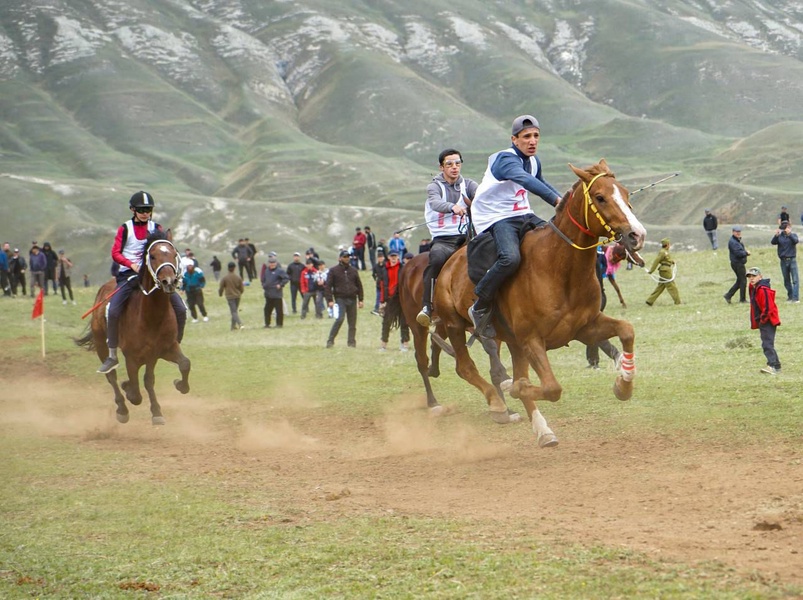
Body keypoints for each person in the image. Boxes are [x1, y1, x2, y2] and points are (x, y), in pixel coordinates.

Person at [469, 115, 562, 337]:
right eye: (526, 136)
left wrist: (565, 202)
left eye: (536, 136)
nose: (532, 141)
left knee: (558, 238)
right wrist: (558, 202)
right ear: (514, 139)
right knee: (510, 258)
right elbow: (526, 180)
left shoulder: (533, 161)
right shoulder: (505, 160)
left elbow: (540, 181)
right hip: (496, 217)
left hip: (522, 213)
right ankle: (479, 305)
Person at [97, 191, 187, 374]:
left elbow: (164, 250)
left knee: (181, 308)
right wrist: (132, 265)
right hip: (128, 276)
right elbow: (115, 253)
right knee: (112, 310)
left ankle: (174, 342)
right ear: (133, 210)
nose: (145, 213)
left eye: (148, 209)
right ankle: (112, 355)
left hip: (152, 275)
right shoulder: (125, 229)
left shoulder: (156, 228)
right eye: (141, 209)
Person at [416, 148, 476, 326]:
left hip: (467, 235)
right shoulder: (434, 186)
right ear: (441, 167)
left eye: (457, 163)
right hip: (444, 239)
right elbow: (435, 202)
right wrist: (452, 207)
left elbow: (481, 196)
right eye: (449, 164)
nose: (454, 167)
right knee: (436, 259)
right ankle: (428, 306)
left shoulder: (469, 184)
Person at [324, 250, 364, 348]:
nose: (347, 258)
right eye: (345, 256)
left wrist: (361, 299)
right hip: (340, 299)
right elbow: (328, 286)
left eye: (348, 256)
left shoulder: (353, 270)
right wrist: (329, 300)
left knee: (352, 323)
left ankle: (351, 343)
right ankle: (330, 340)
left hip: (352, 299)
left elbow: (359, 285)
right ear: (340, 258)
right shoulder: (333, 270)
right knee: (339, 319)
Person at [747, 267, 782, 375]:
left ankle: (772, 366)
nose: (751, 279)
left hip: (768, 320)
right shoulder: (755, 288)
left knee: (767, 344)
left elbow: (768, 307)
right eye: (749, 277)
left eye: (754, 276)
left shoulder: (762, 289)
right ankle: (776, 365)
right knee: (767, 343)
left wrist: (762, 320)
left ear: (760, 276)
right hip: (764, 320)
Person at [378, 250, 410, 351]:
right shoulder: (384, 269)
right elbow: (382, 285)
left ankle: (404, 344)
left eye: (395, 256)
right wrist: (382, 300)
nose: (393, 258)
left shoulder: (403, 268)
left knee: (404, 322)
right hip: (390, 299)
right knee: (386, 322)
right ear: (388, 257)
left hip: (401, 298)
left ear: (398, 257)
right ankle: (383, 344)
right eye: (391, 256)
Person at [645, 238, 681, 306]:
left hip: (666, 270)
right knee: (672, 286)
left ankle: (650, 300)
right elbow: (656, 261)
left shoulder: (665, 252)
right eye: (669, 244)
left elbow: (666, 260)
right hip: (665, 271)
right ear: (667, 245)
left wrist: (672, 261)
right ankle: (678, 302)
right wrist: (651, 271)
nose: (670, 246)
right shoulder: (662, 252)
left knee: (661, 286)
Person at [770, 221, 799, 303]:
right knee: (786, 280)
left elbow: (796, 241)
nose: (784, 229)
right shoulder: (780, 236)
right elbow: (773, 242)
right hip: (783, 261)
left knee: (795, 280)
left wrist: (789, 234)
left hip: (792, 260)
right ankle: (790, 296)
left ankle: (795, 298)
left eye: (786, 227)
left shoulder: (793, 235)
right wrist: (776, 235)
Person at [261, 256, 289, 328]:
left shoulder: (280, 271)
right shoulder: (266, 271)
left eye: (273, 263)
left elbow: (286, 278)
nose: (272, 264)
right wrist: (264, 285)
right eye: (270, 263)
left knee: (279, 310)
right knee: (267, 310)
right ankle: (267, 324)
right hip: (268, 294)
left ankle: (279, 324)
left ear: (276, 263)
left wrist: (280, 284)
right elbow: (263, 279)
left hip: (277, 294)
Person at [724, 225, 750, 304]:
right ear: (733, 232)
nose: (738, 233)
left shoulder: (736, 241)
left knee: (740, 281)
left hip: (738, 263)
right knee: (743, 281)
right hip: (737, 264)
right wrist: (746, 253)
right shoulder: (733, 242)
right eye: (736, 232)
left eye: (739, 232)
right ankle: (742, 299)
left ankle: (728, 295)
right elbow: (738, 253)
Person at [219, 261, 245, 330]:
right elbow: (241, 288)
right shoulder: (238, 277)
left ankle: (240, 324)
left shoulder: (225, 278)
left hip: (230, 297)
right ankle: (233, 327)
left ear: (228, 268)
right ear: (234, 268)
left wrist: (220, 293)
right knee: (235, 311)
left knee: (233, 312)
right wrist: (240, 293)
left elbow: (221, 287)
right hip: (237, 296)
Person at [371, 250, 386, 315]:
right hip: (379, 284)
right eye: (379, 257)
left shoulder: (386, 265)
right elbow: (373, 274)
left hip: (386, 284)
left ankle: (384, 310)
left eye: (381, 257)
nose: (380, 258)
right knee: (378, 297)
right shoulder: (375, 266)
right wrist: (375, 279)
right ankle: (376, 309)